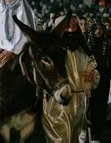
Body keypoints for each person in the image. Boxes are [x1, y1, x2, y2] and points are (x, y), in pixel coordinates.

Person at [42, 15, 99, 143]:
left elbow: (93, 69)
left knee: (76, 136)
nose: (71, 30)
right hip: (58, 102)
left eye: (74, 26)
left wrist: (91, 76)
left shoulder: (84, 51)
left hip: (79, 101)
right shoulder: (53, 52)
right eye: (68, 27)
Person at [87, 23, 111, 142]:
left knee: (101, 106)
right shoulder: (87, 45)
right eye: (96, 29)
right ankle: (90, 132)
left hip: (103, 81)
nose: (98, 32)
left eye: (100, 29)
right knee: (89, 106)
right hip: (88, 81)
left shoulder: (109, 45)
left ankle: (98, 132)